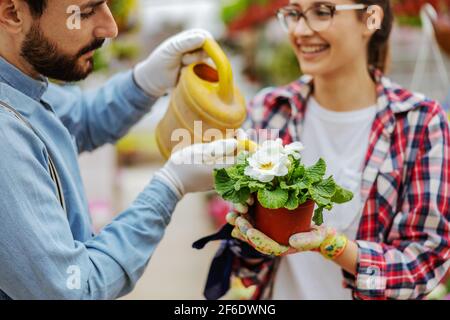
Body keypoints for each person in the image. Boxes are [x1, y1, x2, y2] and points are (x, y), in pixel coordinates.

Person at [203, 0, 450, 300]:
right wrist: (246, 234)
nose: (301, 30)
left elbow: (424, 263)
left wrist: (333, 246)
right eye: (294, 14)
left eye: (322, 12)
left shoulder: (419, 122)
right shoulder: (269, 110)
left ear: (371, 20)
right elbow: (245, 266)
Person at [0, 0, 237, 299]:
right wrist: (169, 187)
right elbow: (73, 290)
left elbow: (79, 119)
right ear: (11, 12)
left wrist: (146, 81)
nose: (109, 27)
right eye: (85, 12)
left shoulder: (22, 84)